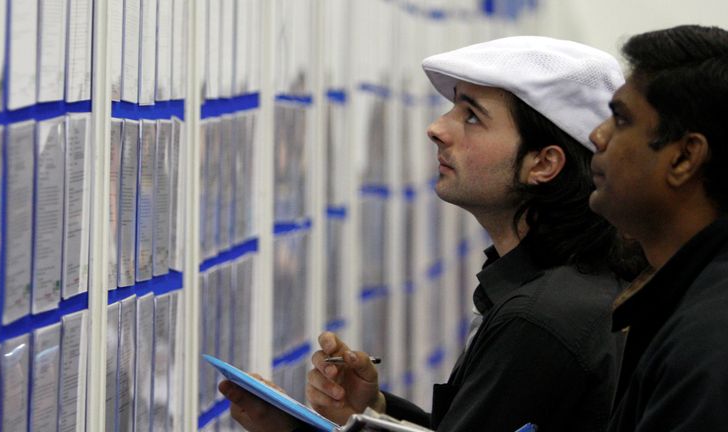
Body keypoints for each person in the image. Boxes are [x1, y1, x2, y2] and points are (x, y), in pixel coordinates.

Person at [220, 36, 641, 431]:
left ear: (543, 164)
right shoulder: (567, 287)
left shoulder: (541, 320)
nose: (438, 127)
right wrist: (374, 411)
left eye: (472, 116)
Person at [587, 25, 728, 431]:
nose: (597, 136)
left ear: (684, 157)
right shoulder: (692, 301)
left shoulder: (710, 341)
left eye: (620, 119)